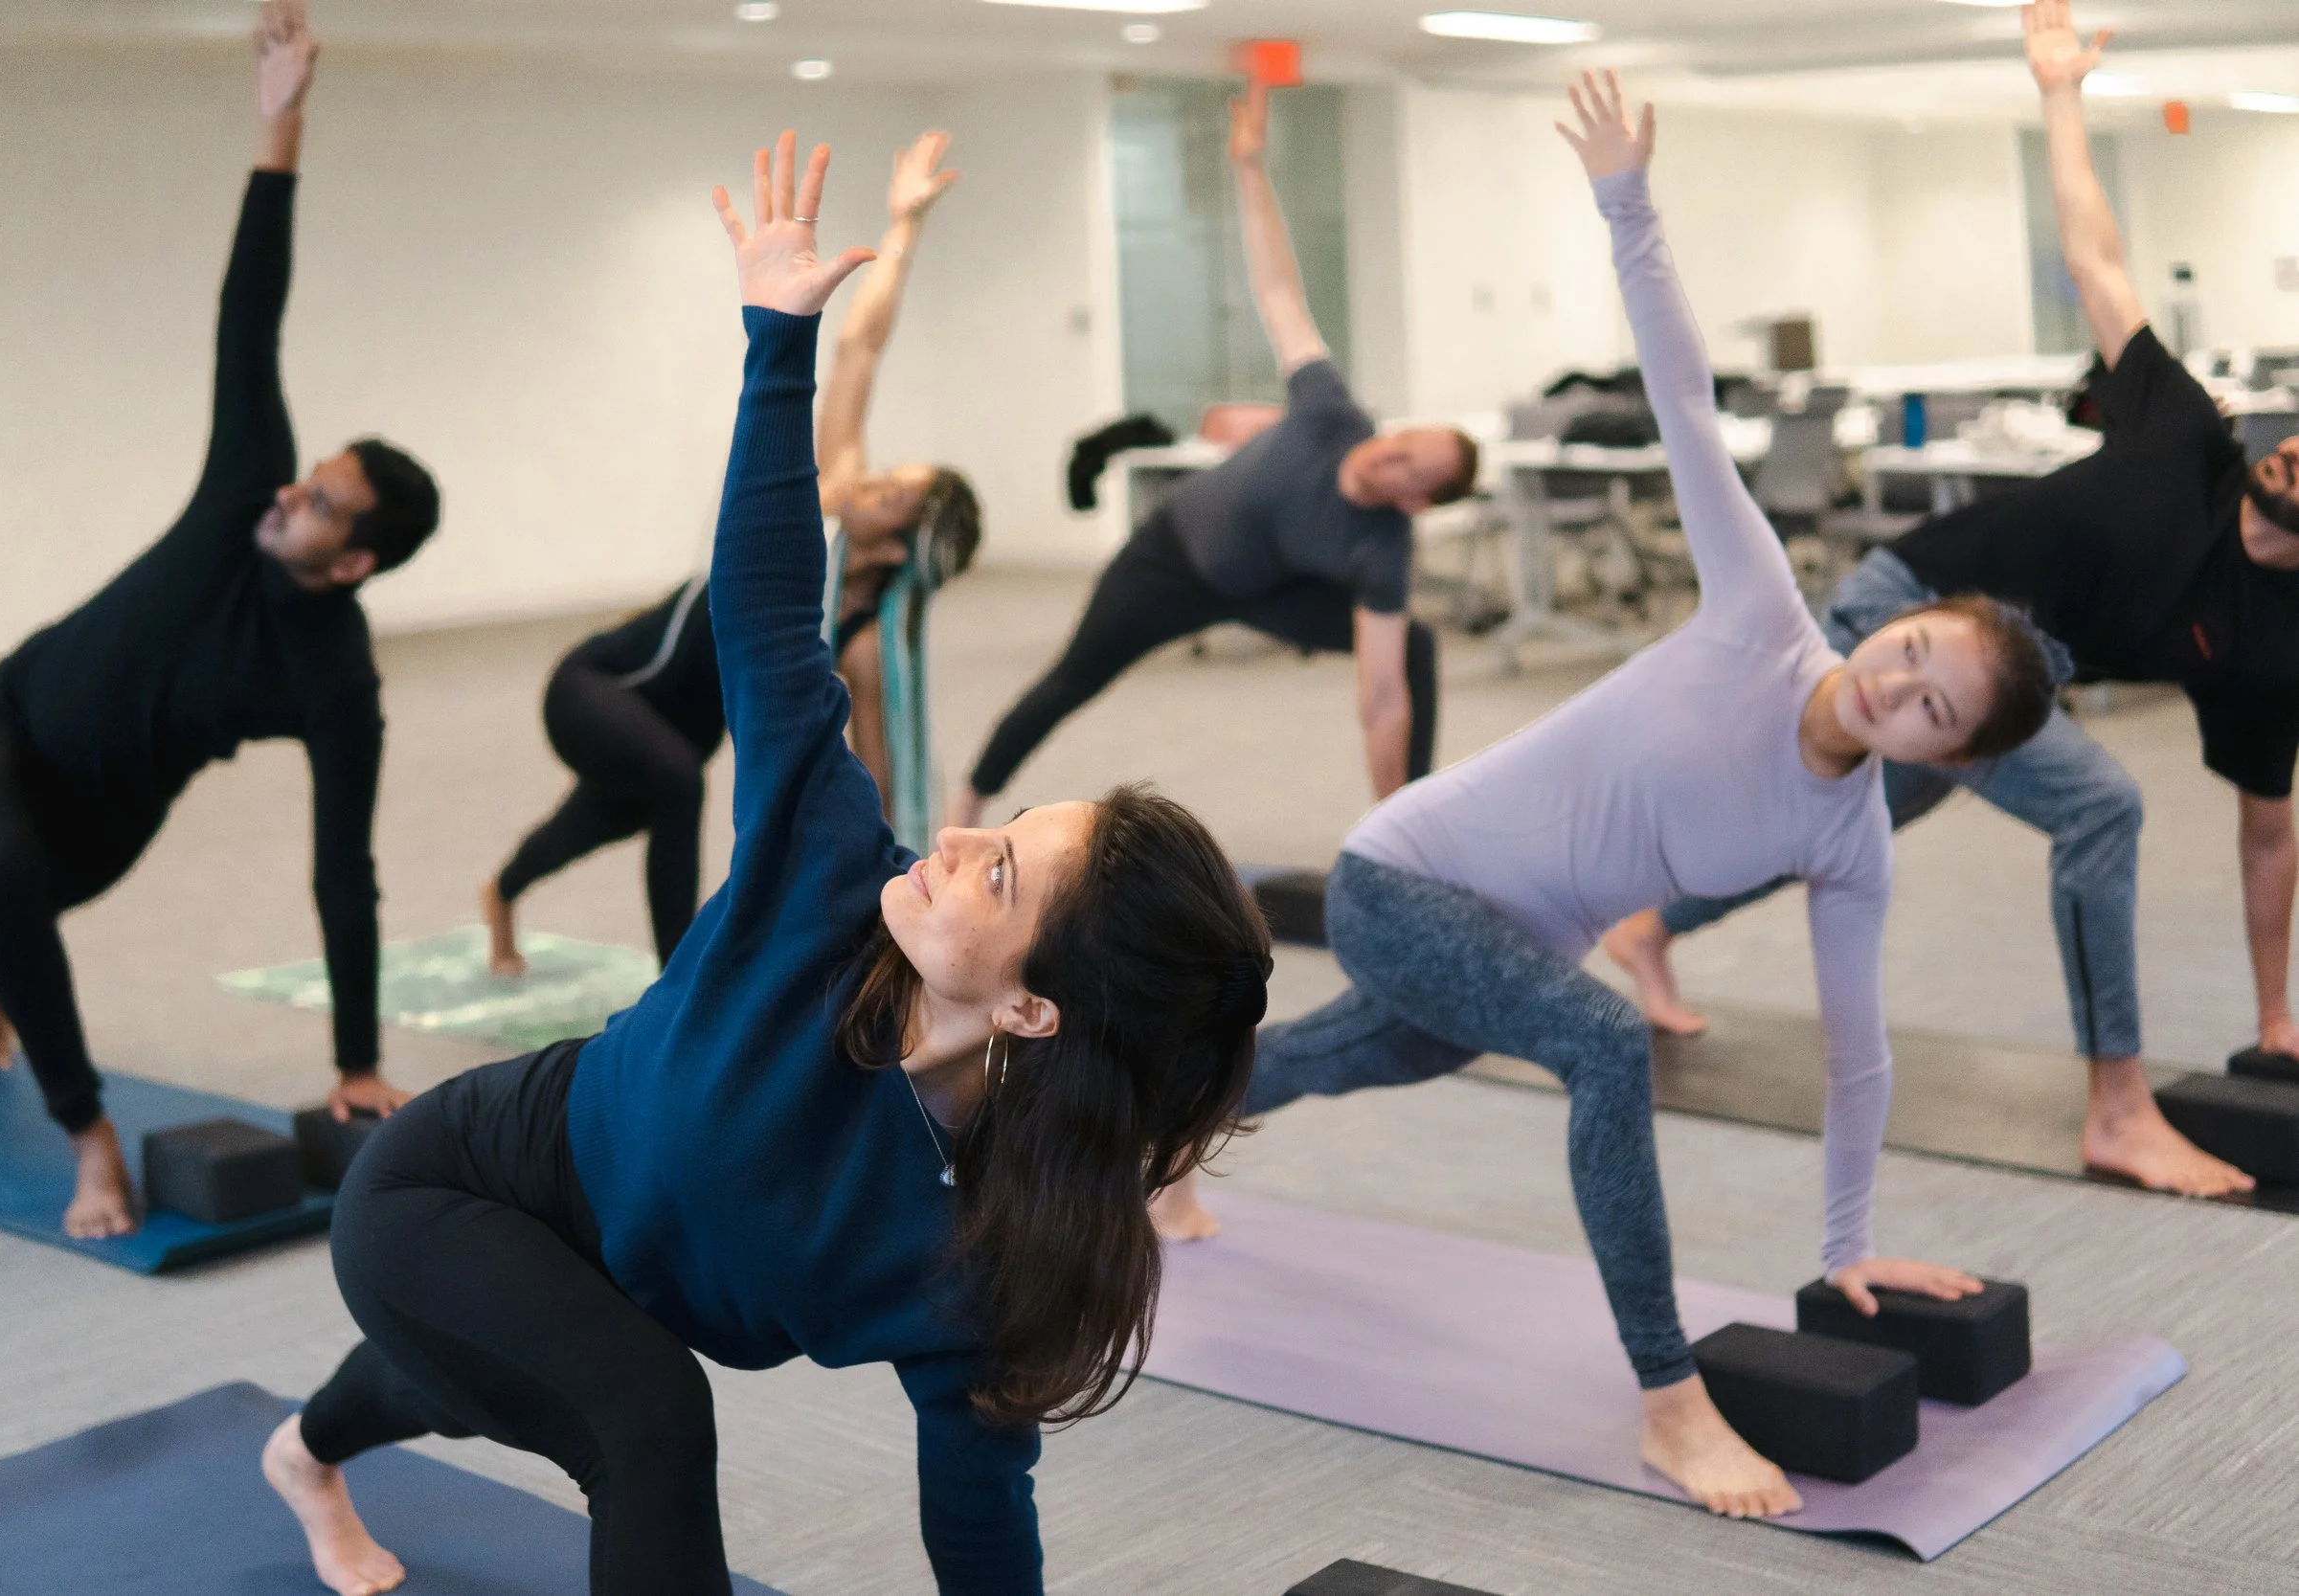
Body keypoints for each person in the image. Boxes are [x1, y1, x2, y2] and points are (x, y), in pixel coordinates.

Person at [260, 132, 1273, 1596]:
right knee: (644, 1415)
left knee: (508, 1366)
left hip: (588, 1284)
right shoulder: (830, 875)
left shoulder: (993, 1244)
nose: (953, 837)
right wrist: (775, 344)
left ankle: (307, 1449)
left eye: (998, 875)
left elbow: (980, 1509)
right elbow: (766, 619)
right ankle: (333, 1430)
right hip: (461, 1185)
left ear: (1036, 1007)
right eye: (999, 824)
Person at [1155, 73, 2062, 1519]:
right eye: (1909, 651)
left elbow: (1858, 1055)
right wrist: (1626, 202)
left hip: (1503, 938)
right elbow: (1684, 399)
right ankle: (1667, 1399)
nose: (1893, 686)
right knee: (1600, 1039)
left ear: (1944, 756)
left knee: (1334, 1058)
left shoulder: (1848, 842)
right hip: (1403, 875)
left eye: (1932, 708)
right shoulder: (1760, 610)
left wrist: (1847, 1247)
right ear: (1891, 622)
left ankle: (1129, 1134)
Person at [1604, 0, 2299, 1201]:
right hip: (1911, 609)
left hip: (2012, 677)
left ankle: (1650, 923)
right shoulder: (2187, 432)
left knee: (1854, 815)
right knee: (2099, 806)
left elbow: (2268, 831)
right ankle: (2117, 1109)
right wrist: (2060, 94)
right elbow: (2095, 263)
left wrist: (2274, 1016)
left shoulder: (2268, 645)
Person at [0, 0, 440, 1241]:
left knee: (20, 914)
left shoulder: (336, 681)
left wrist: (357, 1057)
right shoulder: (243, 485)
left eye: (320, 503)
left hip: (113, 813)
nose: (289, 494)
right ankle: (88, 1133)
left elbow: (344, 867)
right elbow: (248, 313)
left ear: (355, 560)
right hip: (1, 720)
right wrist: (281, 128)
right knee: (1, 872)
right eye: (306, 476)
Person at [483, 131, 979, 975]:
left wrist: (899, 896)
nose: (871, 481)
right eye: (887, 472)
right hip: (601, 683)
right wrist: (905, 228)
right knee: (673, 785)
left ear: (902, 542)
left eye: (892, 492)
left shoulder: (862, 639)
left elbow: (874, 782)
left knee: (611, 813)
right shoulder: (827, 501)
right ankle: (679, 978)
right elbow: (860, 349)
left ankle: (500, 894)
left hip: (679, 722)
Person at [948, 79, 1478, 830]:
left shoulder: (1384, 547)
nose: (1384, 457)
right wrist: (1251, 170)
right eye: (1401, 441)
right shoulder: (1332, 412)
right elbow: (1279, 293)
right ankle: (970, 797)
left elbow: (1382, 696)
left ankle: (1404, 830)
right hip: (1169, 560)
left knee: (1412, 647)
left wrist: (1387, 822)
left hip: (1267, 589)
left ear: (1417, 500)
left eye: (1408, 469)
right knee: (1074, 676)